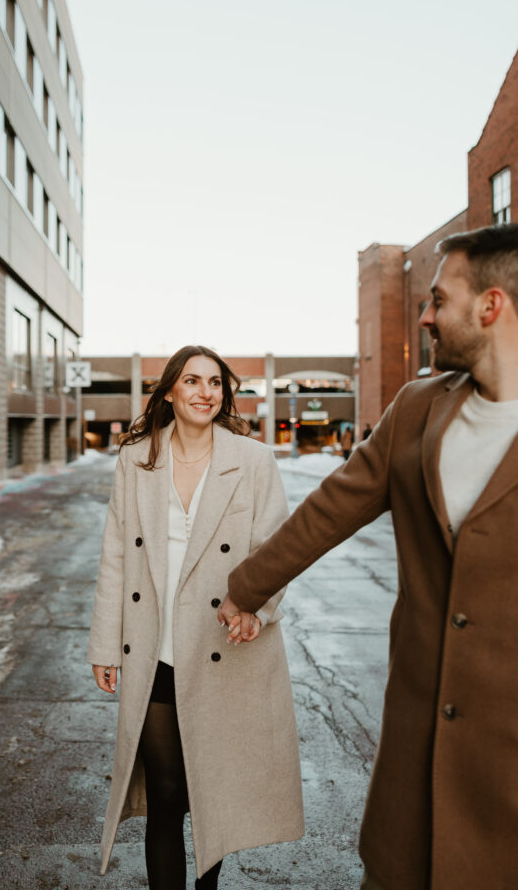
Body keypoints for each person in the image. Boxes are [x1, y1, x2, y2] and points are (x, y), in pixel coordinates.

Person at [218, 224, 518, 890]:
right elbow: (329, 509)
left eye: (438, 299)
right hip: (415, 766)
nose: (425, 315)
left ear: (489, 306)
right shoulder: (417, 409)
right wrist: (244, 588)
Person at [88, 346, 304, 888]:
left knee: (211, 799)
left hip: (220, 650)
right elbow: (115, 554)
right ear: (168, 392)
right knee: (167, 796)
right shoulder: (137, 459)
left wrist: (258, 607)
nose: (206, 392)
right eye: (192, 381)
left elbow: (274, 549)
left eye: (214, 383)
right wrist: (104, 645)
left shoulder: (252, 461)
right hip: (154, 648)